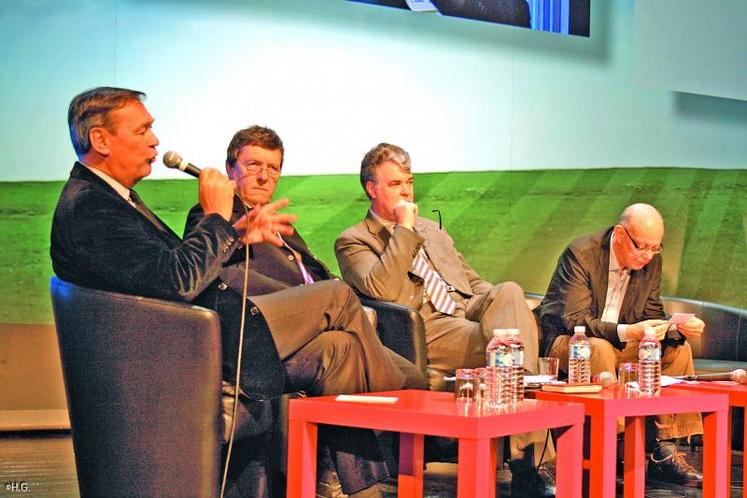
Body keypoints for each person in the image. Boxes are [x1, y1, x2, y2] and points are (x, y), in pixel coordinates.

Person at [50, 88, 412, 498]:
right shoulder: (89, 207)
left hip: (212, 338)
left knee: (339, 349)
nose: (155, 141)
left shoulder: (116, 199)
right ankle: (413, 415)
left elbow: (162, 272)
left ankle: (360, 485)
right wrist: (219, 216)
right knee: (339, 297)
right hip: (193, 351)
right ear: (101, 140)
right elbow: (180, 280)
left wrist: (236, 234)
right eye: (144, 129)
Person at [184, 125, 427, 496]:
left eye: (273, 168)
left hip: (322, 331)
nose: (264, 175)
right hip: (266, 335)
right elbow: (220, 281)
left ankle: (354, 479)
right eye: (252, 165)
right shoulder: (215, 216)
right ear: (230, 169)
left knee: (408, 376)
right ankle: (372, 429)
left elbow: (316, 277)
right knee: (359, 341)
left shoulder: (283, 226)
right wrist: (307, 303)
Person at [335, 142, 554, 497]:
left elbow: (470, 280)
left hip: (465, 310)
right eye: (395, 185)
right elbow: (382, 289)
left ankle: (519, 387)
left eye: (409, 182)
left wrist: (498, 301)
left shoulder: (432, 230)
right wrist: (404, 230)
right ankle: (528, 459)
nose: (406, 191)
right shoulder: (353, 240)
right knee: (508, 346)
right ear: (371, 189)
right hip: (425, 326)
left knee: (510, 292)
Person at [534, 203, 705, 487]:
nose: (648, 255)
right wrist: (629, 331)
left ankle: (664, 451)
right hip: (568, 343)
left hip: (619, 341)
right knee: (597, 347)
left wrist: (674, 329)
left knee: (678, 350)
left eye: (655, 248)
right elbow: (573, 319)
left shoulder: (650, 262)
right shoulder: (582, 254)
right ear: (620, 234)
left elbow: (650, 313)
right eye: (642, 247)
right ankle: (609, 446)